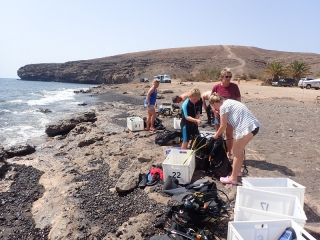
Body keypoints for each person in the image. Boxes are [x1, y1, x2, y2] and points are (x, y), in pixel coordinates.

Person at [209, 93, 260, 185]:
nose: (216, 110)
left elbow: (223, 126)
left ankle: (233, 178)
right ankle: (237, 172)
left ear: (215, 103)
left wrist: (214, 137)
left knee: (236, 153)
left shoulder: (223, 107)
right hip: (254, 126)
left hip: (245, 128)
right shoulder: (230, 102)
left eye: (214, 107)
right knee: (239, 152)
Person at [211, 67, 241, 158]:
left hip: (230, 115)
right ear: (221, 77)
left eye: (230, 77)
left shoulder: (234, 87)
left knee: (229, 134)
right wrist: (214, 110)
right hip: (218, 114)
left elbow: (238, 100)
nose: (228, 79)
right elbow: (211, 101)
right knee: (218, 133)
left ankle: (228, 153)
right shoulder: (216, 87)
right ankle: (219, 152)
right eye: (226, 76)